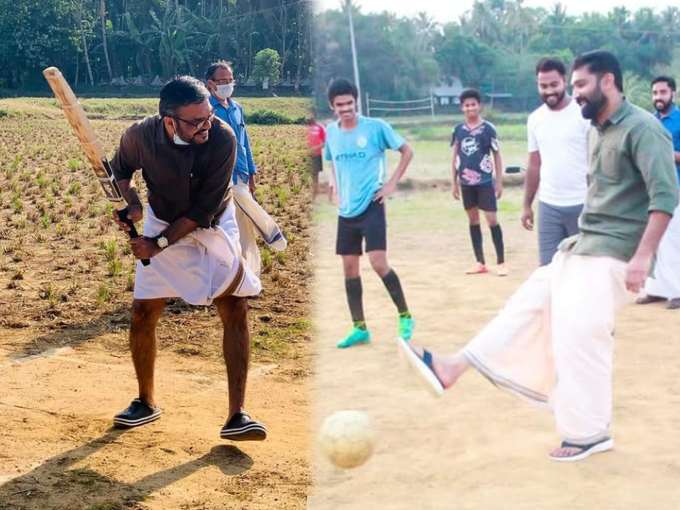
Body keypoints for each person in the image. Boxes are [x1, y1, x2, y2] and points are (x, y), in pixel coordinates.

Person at [400, 51, 679, 462]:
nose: (575, 93)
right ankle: (453, 366)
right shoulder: (597, 130)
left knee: (580, 335)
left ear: (607, 82)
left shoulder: (644, 129)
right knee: (528, 303)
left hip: (616, 253)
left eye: (581, 84)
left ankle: (590, 433)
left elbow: (665, 196)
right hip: (583, 247)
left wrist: (642, 258)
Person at [110, 76, 267, 441]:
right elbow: (120, 172)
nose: (206, 125)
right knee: (143, 312)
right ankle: (145, 401)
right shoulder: (140, 136)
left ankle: (237, 415)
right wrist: (132, 205)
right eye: (197, 121)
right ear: (169, 121)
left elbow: (202, 209)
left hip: (211, 223)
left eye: (208, 116)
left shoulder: (223, 137)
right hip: (161, 219)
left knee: (235, 306)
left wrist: (157, 244)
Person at [324, 78, 415, 348]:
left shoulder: (376, 128)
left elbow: (407, 151)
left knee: (378, 262)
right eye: (340, 105)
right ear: (333, 106)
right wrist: (334, 187)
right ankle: (359, 328)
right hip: (346, 211)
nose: (346, 108)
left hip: (372, 205)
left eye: (349, 103)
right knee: (349, 269)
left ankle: (406, 316)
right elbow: (332, 163)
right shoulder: (331, 132)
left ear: (356, 102)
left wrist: (391, 183)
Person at [205, 61, 287, 277]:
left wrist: (251, 172)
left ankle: (250, 274)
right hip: (219, 176)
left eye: (230, 80)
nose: (227, 84)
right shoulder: (205, 110)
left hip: (240, 173)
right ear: (210, 83)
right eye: (222, 81)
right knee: (223, 227)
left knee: (245, 229)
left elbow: (245, 142)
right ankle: (271, 231)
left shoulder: (236, 108)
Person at [522, 57, 590, 266]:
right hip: (549, 206)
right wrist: (526, 204)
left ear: (564, 80)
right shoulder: (535, 119)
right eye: (543, 86)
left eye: (554, 85)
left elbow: (598, 160)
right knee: (548, 271)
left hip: (583, 204)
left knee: (583, 270)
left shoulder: (584, 114)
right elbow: (534, 165)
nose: (549, 91)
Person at [451, 89, 507, 276]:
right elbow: (455, 156)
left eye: (473, 104)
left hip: (484, 181)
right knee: (473, 220)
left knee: (491, 220)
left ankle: (501, 263)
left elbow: (497, 156)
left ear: (479, 105)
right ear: (462, 108)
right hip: (466, 183)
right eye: (467, 105)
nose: (470, 108)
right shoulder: (458, 130)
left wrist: (498, 182)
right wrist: (454, 182)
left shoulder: (488, 129)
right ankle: (479, 262)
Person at [637, 75, 680, 310]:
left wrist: (668, 154)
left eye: (663, 93)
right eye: (654, 93)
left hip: (676, 188)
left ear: (673, 93)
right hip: (651, 188)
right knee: (653, 240)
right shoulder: (649, 121)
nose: (658, 97)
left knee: (673, 241)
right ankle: (654, 289)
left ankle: (676, 291)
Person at [308, 107, 327, 196]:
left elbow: (325, 142)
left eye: (311, 113)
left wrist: (316, 148)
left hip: (316, 155)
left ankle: (314, 195)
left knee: (315, 176)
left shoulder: (320, 127)